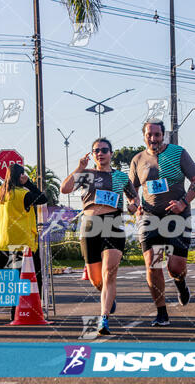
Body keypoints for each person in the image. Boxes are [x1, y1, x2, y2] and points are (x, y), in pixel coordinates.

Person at [60, 138, 139, 335]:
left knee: (109, 273)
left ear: (111, 153)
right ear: (92, 154)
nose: (100, 153)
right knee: (97, 280)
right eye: (96, 150)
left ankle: (104, 319)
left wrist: (133, 207)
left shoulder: (120, 177)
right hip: (90, 225)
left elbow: (134, 199)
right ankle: (108, 297)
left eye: (104, 150)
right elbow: (65, 189)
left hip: (112, 223)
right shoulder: (86, 175)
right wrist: (79, 168)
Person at [129, 120, 195, 326]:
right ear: (144, 135)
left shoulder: (178, 153)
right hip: (150, 218)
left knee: (175, 268)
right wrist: (135, 205)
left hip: (176, 217)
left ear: (164, 136)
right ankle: (161, 312)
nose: (153, 139)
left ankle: (180, 284)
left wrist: (183, 202)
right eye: (149, 134)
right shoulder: (137, 160)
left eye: (157, 135)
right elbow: (131, 191)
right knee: (153, 265)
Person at [0, 163, 47, 319]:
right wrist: (29, 183)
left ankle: (14, 312)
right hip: (23, 242)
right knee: (33, 277)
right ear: (20, 176)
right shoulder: (23, 194)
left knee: (14, 278)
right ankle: (32, 310)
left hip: (4, 241)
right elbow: (43, 198)